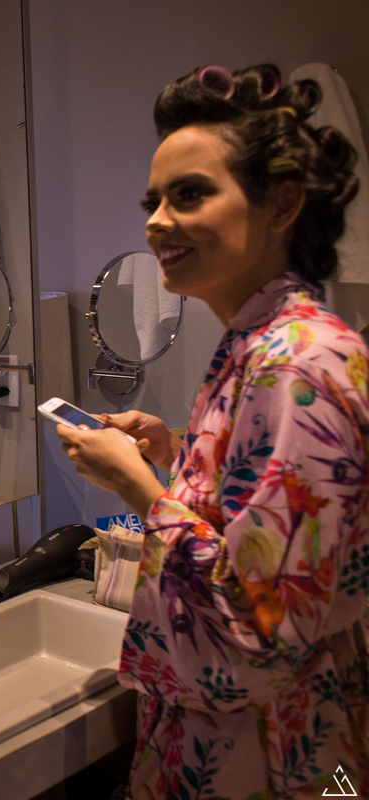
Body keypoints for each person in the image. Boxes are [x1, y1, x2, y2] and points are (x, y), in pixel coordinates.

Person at [57, 65, 369, 798]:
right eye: (153, 200)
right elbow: (262, 522)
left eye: (189, 194)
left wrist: (140, 486)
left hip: (272, 756)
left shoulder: (298, 367)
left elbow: (264, 624)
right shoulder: (258, 344)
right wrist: (179, 449)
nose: (156, 221)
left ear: (282, 203)